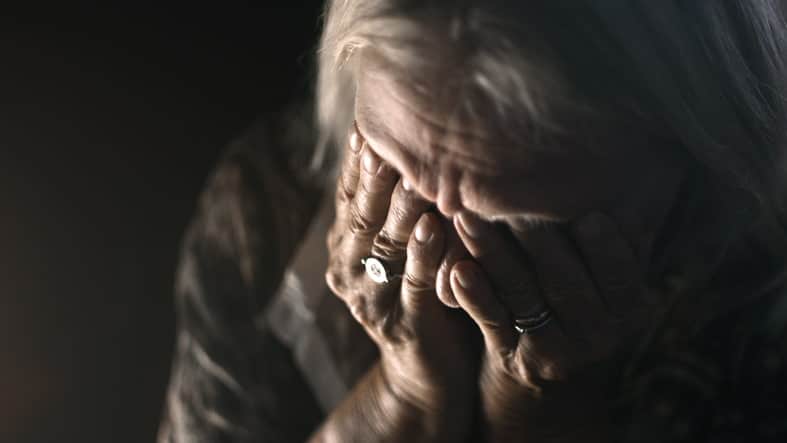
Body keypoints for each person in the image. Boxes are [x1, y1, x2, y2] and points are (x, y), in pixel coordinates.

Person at [158, 1, 787, 441]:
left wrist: (544, 420)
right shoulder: (270, 203)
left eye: (515, 227)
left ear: (698, 150)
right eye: (396, 173)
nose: (435, 262)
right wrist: (403, 396)